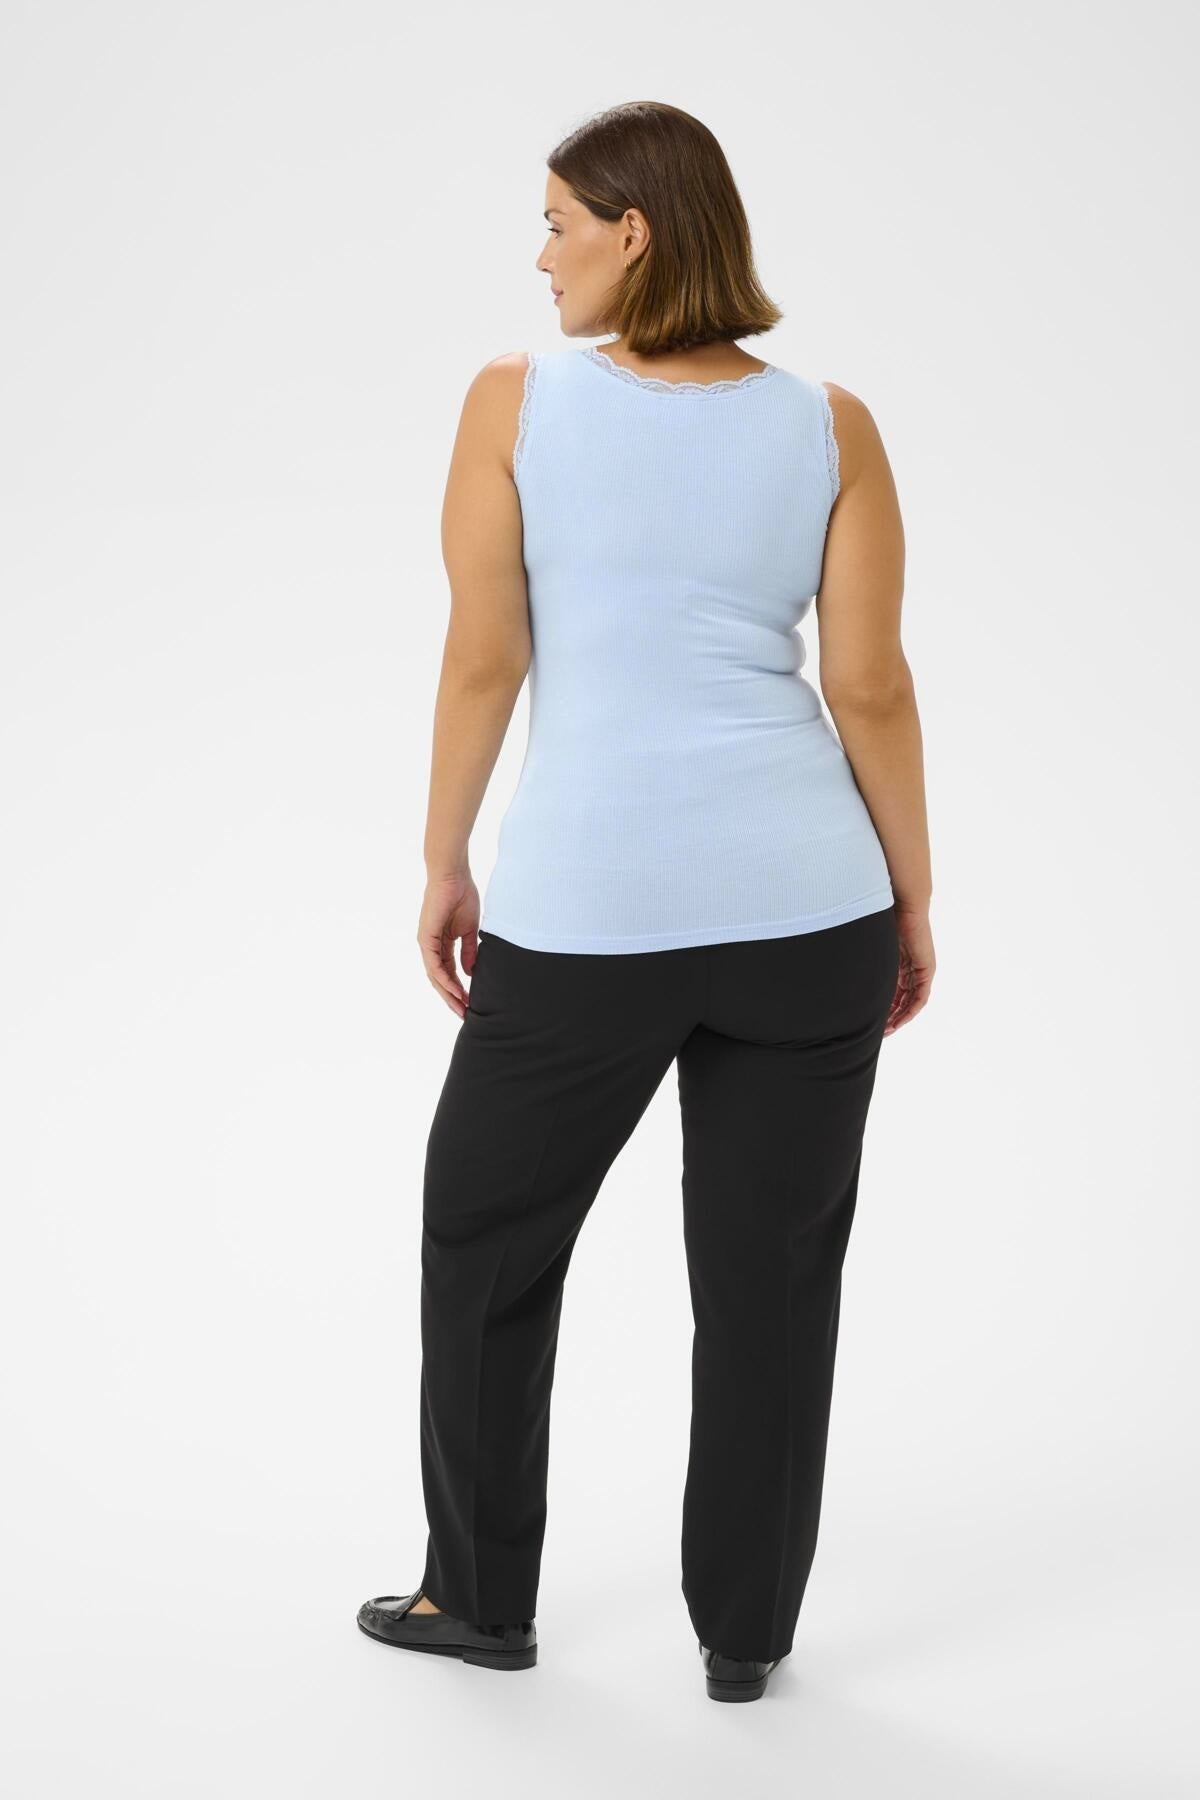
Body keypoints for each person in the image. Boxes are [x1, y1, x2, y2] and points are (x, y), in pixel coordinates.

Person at [357, 100, 934, 1703]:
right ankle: (746, 1640)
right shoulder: (834, 423)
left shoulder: (515, 401)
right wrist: (912, 897)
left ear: (636, 231)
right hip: (811, 912)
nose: (540, 257)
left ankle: (480, 1599)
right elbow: (870, 688)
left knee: (486, 1238)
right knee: (773, 1282)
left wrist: (443, 858)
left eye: (558, 224)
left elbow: (486, 655)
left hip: (590, 917)